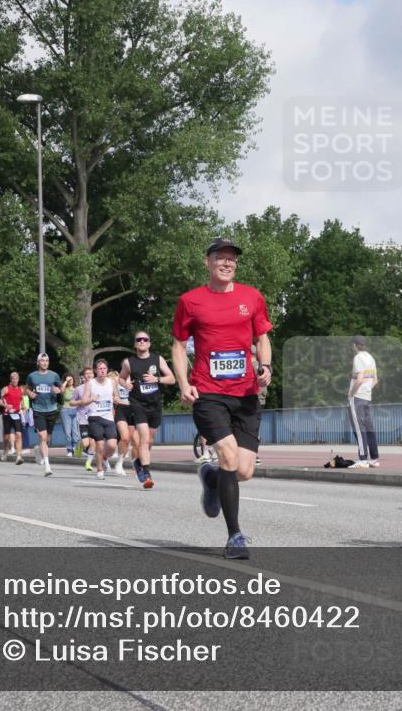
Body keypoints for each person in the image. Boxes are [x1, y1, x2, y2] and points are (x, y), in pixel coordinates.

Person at [171, 237, 273, 560]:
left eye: (232, 259)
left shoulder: (252, 297)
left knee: (244, 471)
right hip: (208, 393)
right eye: (221, 258)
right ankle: (235, 536)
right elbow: (178, 346)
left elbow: (262, 338)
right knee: (228, 456)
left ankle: (211, 477)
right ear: (208, 262)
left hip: (246, 395)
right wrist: (183, 383)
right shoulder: (190, 301)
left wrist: (266, 366)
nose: (227, 263)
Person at [121, 330, 175, 490]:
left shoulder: (157, 359)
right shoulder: (129, 362)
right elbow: (121, 378)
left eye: (145, 339)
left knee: (150, 440)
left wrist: (156, 379)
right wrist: (125, 384)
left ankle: (139, 462)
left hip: (155, 404)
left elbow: (172, 379)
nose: (142, 341)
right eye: (139, 339)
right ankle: (146, 475)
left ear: (149, 343)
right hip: (138, 404)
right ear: (135, 343)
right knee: (144, 439)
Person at [25, 353, 62, 478]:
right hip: (38, 409)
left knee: (47, 439)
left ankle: (38, 451)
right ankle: (47, 466)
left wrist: (58, 390)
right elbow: (27, 388)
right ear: (38, 362)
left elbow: (61, 388)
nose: (45, 363)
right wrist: (30, 393)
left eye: (47, 360)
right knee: (42, 435)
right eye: (42, 360)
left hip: (51, 409)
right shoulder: (32, 376)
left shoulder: (54, 375)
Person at [81, 358, 119, 480]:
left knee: (112, 445)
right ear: (96, 371)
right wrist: (91, 399)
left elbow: (116, 395)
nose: (102, 370)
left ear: (107, 370)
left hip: (108, 417)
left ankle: (104, 457)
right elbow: (83, 401)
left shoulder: (111, 382)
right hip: (94, 417)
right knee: (100, 444)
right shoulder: (90, 383)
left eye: (104, 368)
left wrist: (116, 399)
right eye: (100, 368)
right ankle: (100, 469)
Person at [347, 335, 380, 468]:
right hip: (367, 396)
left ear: (354, 345)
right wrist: (367, 389)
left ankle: (363, 459)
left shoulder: (358, 358)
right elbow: (375, 380)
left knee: (359, 429)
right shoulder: (371, 358)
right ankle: (374, 458)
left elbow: (359, 379)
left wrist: (351, 393)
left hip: (357, 398)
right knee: (368, 427)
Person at [69, 367, 96, 472]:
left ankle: (88, 463)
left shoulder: (97, 387)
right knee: (86, 443)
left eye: (91, 373)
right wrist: (80, 402)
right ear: (84, 376)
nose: (89, 375)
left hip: (95, 418)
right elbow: (71, 402)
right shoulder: (79, 389)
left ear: (93, 374)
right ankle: (80, 445)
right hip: (82, 419)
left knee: (93, 441)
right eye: (87, 373)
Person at [0, 372, 26, 464]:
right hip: (7, 414)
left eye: (16, 379)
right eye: (13, 379)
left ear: (18, 379)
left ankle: (18, 456)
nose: (15, 380)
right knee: (6, 437)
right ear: (11, 379)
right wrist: (5, 405)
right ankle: (5, 452)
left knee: (18, 434)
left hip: (16, 414)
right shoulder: (6, 389)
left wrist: (23, 407)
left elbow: (21, 400)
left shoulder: (21, 389)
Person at [59, 374, 78, 457]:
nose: (70, 381)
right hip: (66, 411)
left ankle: (75, 448)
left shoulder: (76, 389)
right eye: (68, 380)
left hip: (75, 411)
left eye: (71, 379)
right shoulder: (65, 389)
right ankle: (69, 450)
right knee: (67, 432)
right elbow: (61, 390)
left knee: (75, 433)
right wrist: (65, 381)